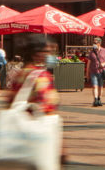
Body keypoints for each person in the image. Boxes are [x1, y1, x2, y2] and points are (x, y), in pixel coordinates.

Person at [4, 35, 64, 166]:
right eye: (46, 52)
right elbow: (48, 110)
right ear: (37, 54)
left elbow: (9, 103)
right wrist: (61, 148)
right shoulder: (42, 76)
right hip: (39, 139)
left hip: (17, 137)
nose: (49, 55)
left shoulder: (19, 75)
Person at [86, 37, 105, 106]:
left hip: (101, 71)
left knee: (100, 86)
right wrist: (87, 73)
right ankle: (95, 99)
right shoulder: (91, 52)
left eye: (95, 43)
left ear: (99, 43)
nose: (94, 44)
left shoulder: (104, 51)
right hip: (93, 71)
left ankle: (99, 99)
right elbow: (89, 63)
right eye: (93, 43)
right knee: (94, 86)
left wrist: (104, 63)